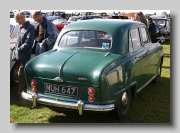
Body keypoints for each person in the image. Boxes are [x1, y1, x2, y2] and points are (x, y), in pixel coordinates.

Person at [11, 11, 35, 101]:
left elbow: (28, 43)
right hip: (18, 55)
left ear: (22, 18)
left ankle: (20, 94)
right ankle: (21, 91)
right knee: (19, 74)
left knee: (21, 75)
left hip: (24, 55)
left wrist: (19, 49)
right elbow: (18, 41)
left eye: (17, 19)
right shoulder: (21, 27)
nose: (16, 21)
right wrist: (15, 49)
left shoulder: (30, 28)